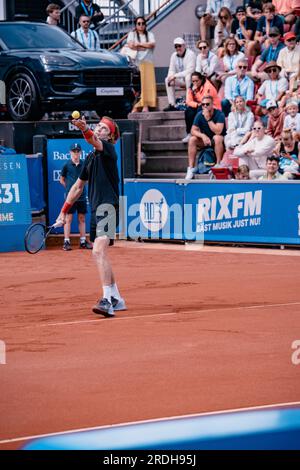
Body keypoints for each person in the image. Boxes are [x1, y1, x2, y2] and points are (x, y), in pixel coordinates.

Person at [56, 116, 126, 317]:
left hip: (108, 205)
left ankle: (106, 301)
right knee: (101, 252)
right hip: (96, 208)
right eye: (98, 126)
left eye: (103, 128)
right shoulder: (89, 158)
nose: (99, 129)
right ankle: (117, 298)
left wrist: (85, 128)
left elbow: (91, 140)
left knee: (97, 251)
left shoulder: (109, 150)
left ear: (110, 136)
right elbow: (77, 187)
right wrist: (63, 211)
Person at [60, 143, 92, 251]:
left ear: (81, 153)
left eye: (78, 151)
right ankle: (66, 242)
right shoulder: (66, 165)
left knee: (82, 218)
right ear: (70, 153)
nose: (76, 153)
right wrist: (70, 190)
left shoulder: (84, 165)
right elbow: (62, 180)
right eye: (74, 151)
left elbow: (86, 179)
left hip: (82, 197)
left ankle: (83, 241)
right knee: (68, 219)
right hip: (70, 198)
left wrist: (80, 188)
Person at [185, 95, 226, 179]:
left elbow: (218, 131)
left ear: (212, 104)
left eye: (207, 104)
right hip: (206, 140)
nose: (205, 106)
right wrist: (202, 135)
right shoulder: (200, 114)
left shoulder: (219, 114)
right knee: (192, 139)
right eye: (203, 104)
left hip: (219, 142)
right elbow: (193, 130)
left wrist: (208, 119)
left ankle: (218, 165)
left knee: (217, 137)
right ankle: (191, 169)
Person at [127, 17, 156, 113]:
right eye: (138, 23)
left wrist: (138, 44)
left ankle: (145, 105)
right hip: (137, 63)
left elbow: (152, 45)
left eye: (143, 23)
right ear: (136, 25)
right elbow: (131, 45)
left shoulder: (150, 34)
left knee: (148, 85)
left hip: (148, 62)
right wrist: (143, 45)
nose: (141, 25)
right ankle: (138, 105)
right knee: (139, 85)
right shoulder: (132, 34)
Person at [183, 72, 221, 143]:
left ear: (201, 79)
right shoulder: (191, 87)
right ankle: (189, 133)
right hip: (201, 105)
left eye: (196, 81)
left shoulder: (208, 86)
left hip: (213, 107)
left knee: (201, 108)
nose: (195, 83)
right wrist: (196, 104)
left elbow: (205, 100)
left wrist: (195, 92)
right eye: (193, 81)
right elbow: (188, 101)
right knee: (189, 110)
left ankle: (197, 131)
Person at [163, 37, 196, 112]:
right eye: (176, 46)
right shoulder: (173, 55)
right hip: (181, 80)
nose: (178, 48)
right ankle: (172, 104)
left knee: (188, 77)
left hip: (192, 80)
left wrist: (175, 76)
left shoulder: (191, 54)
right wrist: (171, 76)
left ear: (184, 46)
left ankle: (189, 102)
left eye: (179, 46)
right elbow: (171, 69)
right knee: (167, 79)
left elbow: (190, 70)